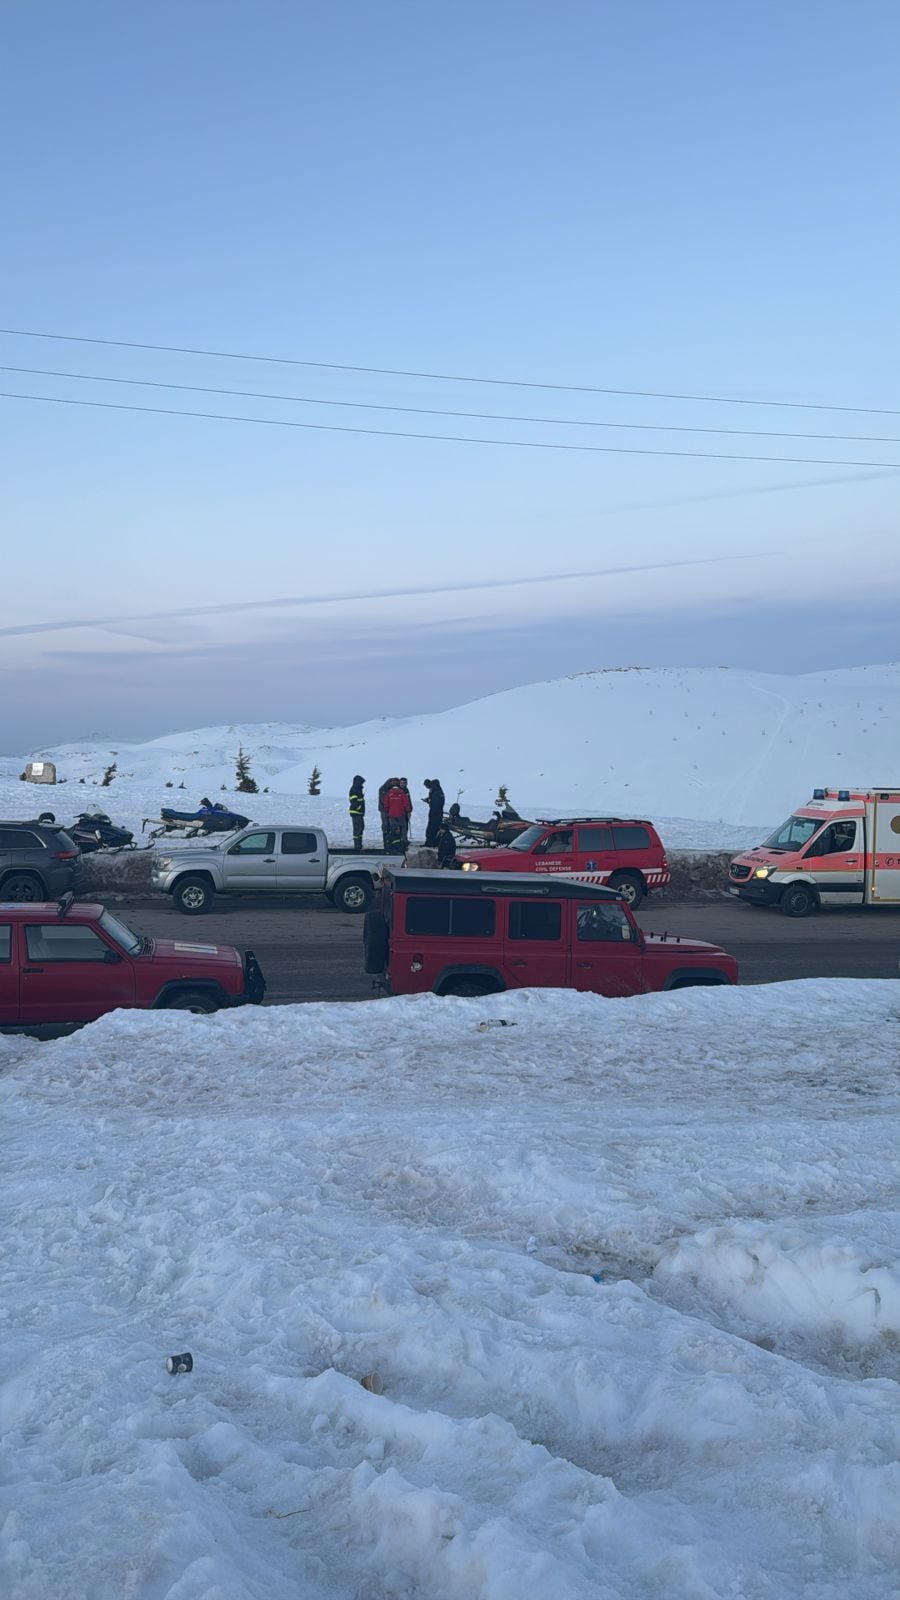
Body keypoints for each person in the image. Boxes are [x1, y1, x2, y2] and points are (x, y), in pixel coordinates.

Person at [383, 780, 410, 851]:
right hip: (401, 814)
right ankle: (404, 842)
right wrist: (408, 811)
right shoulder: (402, 793)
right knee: (403, 827)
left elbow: (386, 804)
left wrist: (387, 811)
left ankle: (394, 843)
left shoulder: (389, 793)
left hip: (392, 814)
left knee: (393, 829)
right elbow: (406, 803)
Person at [423, 778, 445, 848]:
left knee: (431, 829)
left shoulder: (436, 792)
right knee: (434, 829)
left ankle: (431, 843)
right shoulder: (437, 790)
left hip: (435, 813)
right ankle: (434, 842)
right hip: (438, 813)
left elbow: (435, 804)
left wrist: (429, 801)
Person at [349, 775, 365, 852]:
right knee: (357, 829)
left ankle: (359, 845)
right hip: (356, 812)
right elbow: (354, 801)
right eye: (361, 783)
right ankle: (357, 845)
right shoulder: (354, 790)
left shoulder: (358, 790)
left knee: (361, 828)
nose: (362, 785)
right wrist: (358, 807)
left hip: (359, 813)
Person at [398, 779, 413, 846]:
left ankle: (404, 839)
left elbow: (408, 800)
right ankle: (400, 839)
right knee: (400, 826)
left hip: (406, 810)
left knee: (405, 826)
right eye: (401, 783)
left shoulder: (406, 790)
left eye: (404, 783)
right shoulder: (398, 790)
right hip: (400, 811)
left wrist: (410, 809)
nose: (403, 784)